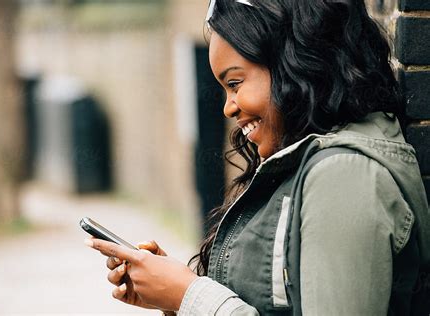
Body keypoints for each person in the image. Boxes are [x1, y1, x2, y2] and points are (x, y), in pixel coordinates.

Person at [84, 0, 430, 314]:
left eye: (235, 83)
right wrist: (173, 292)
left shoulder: (345, 177)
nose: (228, 107)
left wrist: (188, 295)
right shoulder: (312, 164)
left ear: (296, 63)